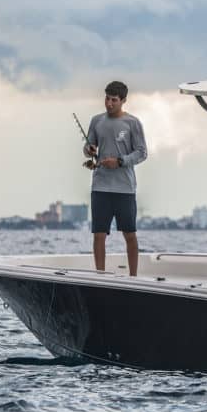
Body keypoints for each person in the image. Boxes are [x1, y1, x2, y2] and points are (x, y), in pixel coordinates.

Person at [84, 81, 148, 277]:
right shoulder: (96, 121)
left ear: (123, 101)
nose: (109, 103)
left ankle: (133, 277)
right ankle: (100, 276)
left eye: (114, 100)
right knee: (99, 235)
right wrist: (89, 150)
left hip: (125, 189)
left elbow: (142, 153)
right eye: (107, 99)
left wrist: (120, 161)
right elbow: (88, 149)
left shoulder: (133, 123)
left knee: (129, 234)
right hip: (100, 186)